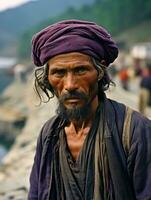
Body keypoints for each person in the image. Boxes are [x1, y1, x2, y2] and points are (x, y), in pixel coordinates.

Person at [28, 20, 151, 200]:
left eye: (80, 70)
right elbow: (36, 194)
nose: (69, 85)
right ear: (47, 78)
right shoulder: (48, 135)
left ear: (99, 71)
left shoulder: (135, 132)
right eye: (59, 73)